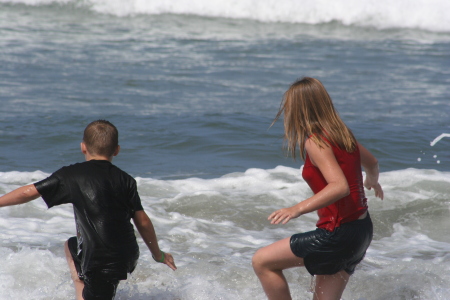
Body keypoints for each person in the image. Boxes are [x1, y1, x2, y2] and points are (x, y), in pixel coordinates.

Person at [0, 120, 176, 300]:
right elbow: (143, 221)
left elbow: (29, 192)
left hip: (99, 259)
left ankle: (81, 294)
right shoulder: (126, 180)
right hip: (127, 255)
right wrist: (158, 255)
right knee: (72, 245)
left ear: (83, 147)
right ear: (117, 150)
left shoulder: (71, 175)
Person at [252, 77, 383, 300]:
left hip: (337, 233)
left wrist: (296, 209)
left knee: (262, 261)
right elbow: (372, 163)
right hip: (360, 231)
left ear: (299, 109)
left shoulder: (316, 140)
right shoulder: (343, 133)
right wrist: (372, 181)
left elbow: (339, 187)